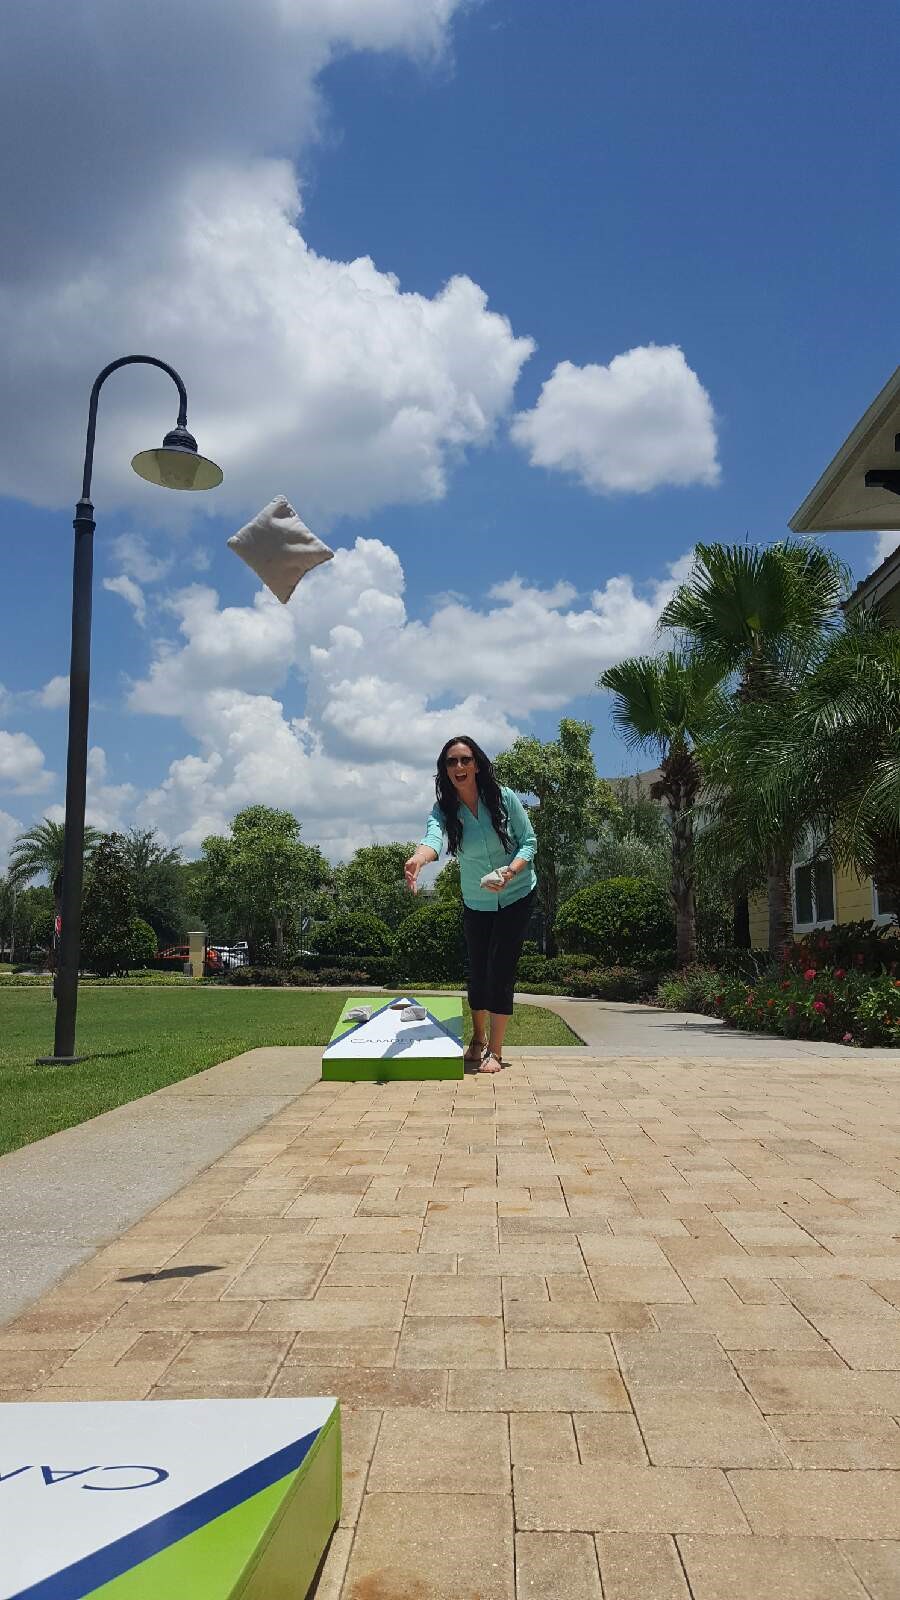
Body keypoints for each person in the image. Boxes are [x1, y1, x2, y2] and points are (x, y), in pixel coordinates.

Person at [404, 736, 537, 1073]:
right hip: (476, 899)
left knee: (501, 967)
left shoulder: (503, 798)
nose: (459, 767)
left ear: (477, 764)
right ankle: (477, 1040)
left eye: (465, 760)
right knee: (478, 969)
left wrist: (511, 871)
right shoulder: (445, 809)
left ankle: (496, 1050)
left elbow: (529, 841)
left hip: (517, 892)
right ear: (444, 769)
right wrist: (419, 859)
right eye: (451, 761)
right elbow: (432, 839)